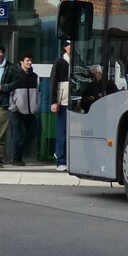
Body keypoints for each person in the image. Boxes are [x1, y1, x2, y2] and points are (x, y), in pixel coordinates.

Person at [8, 54, 40, 166]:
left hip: (30, 111)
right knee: (17, 135)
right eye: (27, 60)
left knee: (32, 133)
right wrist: (13, 107)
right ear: (21, 62)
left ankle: (18, 151)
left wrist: (36, 106)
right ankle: (16, 158)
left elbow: (38, 93)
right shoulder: (15, 75)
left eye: (31, 60)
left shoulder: (35, 76)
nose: (30, 62)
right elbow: (10, 92)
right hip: (16, 110)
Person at [50, 38, 71, 171]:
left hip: (75, 102)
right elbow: (53, 82)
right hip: (62, 101)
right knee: (62, 132)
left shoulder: (78, 62)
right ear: (65, 47)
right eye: (69, 45)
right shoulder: (59, 62)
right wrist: (53, 101)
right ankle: (61, 160)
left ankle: (68, 158)